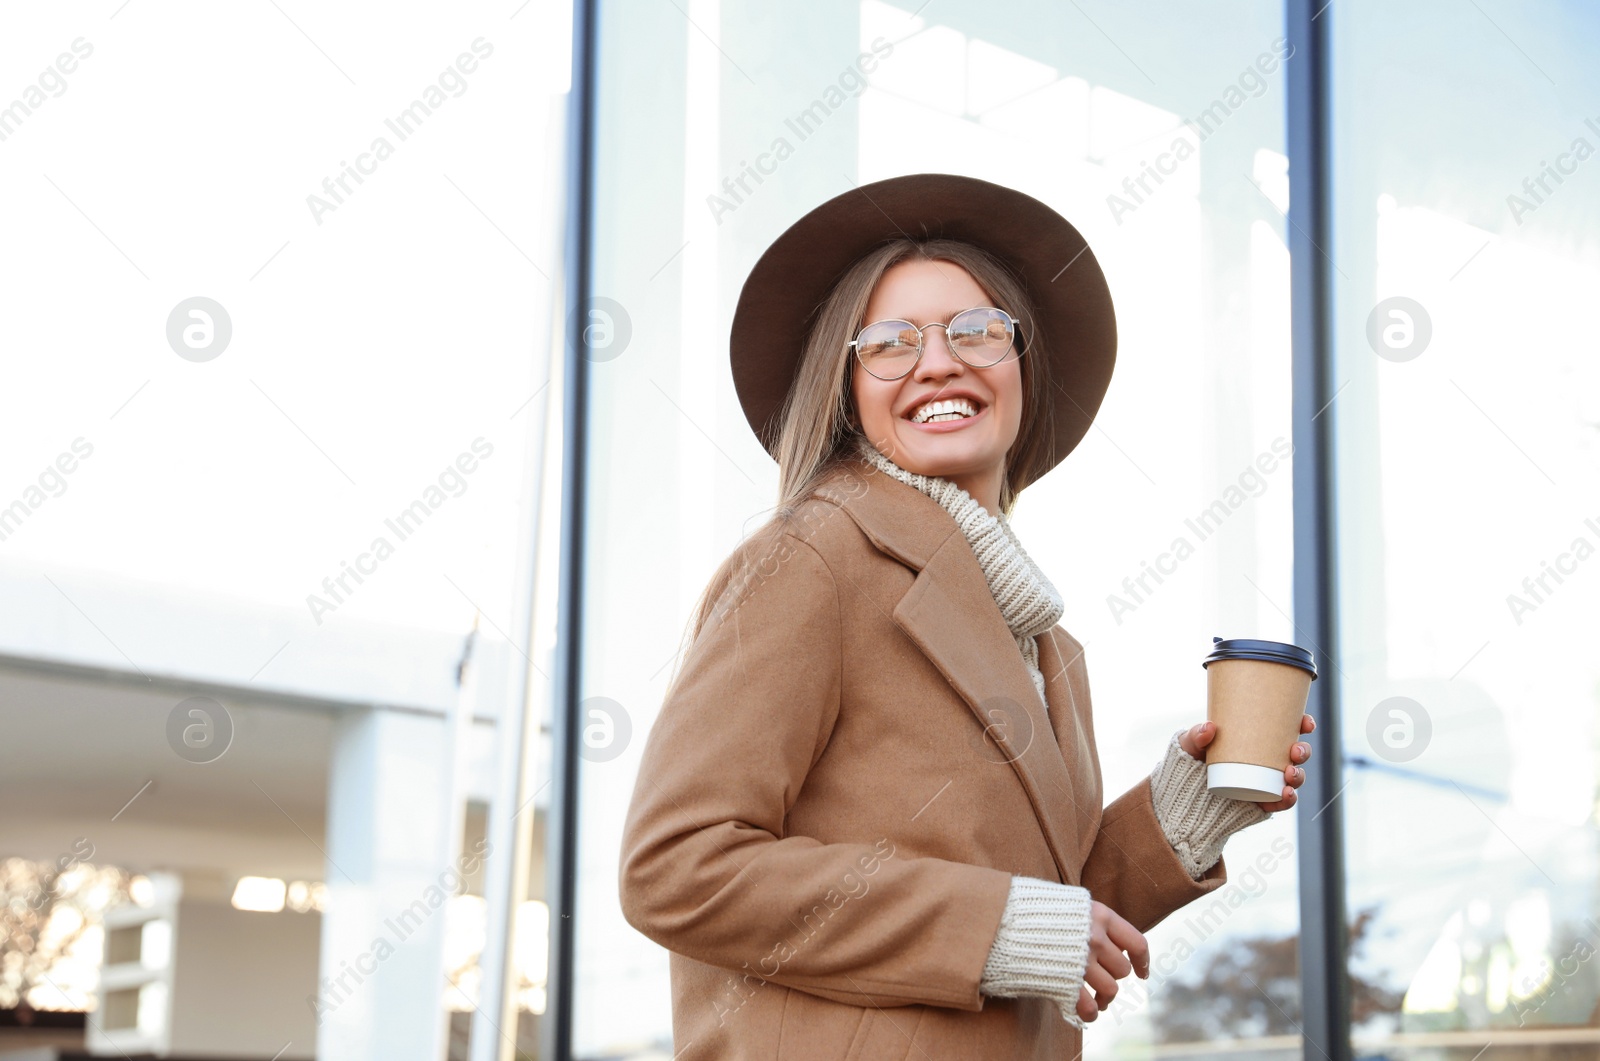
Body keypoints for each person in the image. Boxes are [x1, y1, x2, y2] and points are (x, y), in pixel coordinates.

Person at [618, 173, 1316, 1059]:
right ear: (847, 387)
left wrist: (1184, 813)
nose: (939, 361)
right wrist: (992, 923)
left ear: (1020, 367)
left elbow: (1053, 916)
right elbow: (675, 866)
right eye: (890, 342)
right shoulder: (815, 560)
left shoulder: (1045, 642)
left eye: (978, 331)